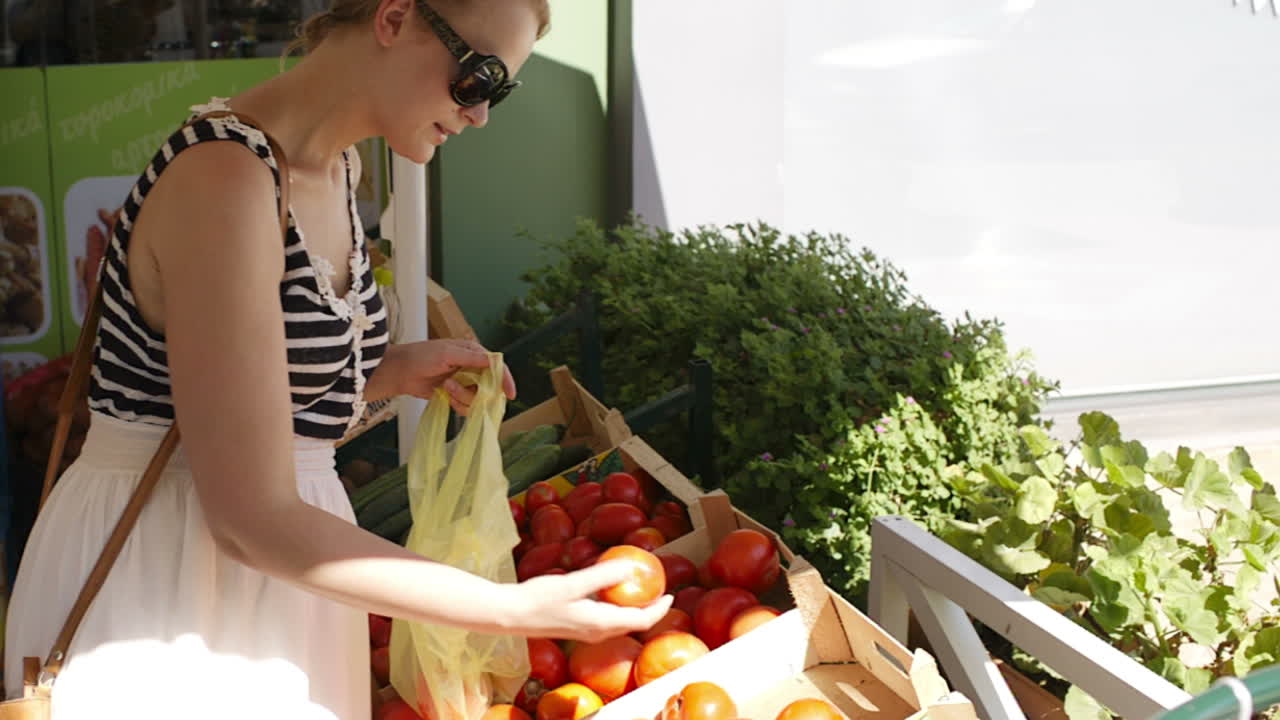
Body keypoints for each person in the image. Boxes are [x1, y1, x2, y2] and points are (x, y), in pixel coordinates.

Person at [2, 1, 672, 717]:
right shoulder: (225, 179)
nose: (480, 114)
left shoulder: (334, 168)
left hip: (273, 580)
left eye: (497, 92)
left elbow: (259, 399)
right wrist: (505, 607)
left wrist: (391, 372)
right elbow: (249, 517)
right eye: (478, 78)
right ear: (394, 19)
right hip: (170, 583)